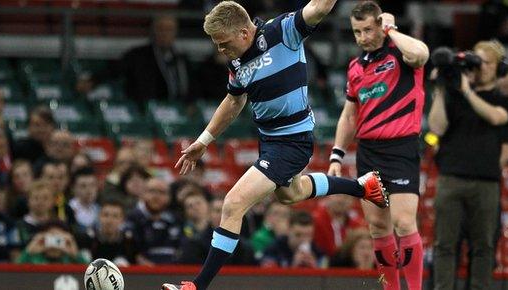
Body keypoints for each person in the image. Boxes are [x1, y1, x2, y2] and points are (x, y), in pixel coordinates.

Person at [162, 1, 388, 289]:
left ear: (244, 33)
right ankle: (363, 187)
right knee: (291, 194)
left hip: (293, 141)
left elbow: (318, 7)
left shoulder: (283, 31)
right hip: (269, 142)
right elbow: (234, 100)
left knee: (233, 204)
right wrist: (204, 141)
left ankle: (197, 286)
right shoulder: (237, 61)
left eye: (223, 43)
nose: (220, 50)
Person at [327, 2, 429, 289]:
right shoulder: (356, 68)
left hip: (400, 150)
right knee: (378, 227)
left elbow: (421, 54)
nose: (362, 37)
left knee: (405, 223)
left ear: (381, 25)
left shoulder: (401, 54)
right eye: (357, 31)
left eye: (368, 29)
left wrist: (391, 30)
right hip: (368, 154)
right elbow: (349, 115)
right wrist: (337, 154)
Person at [428, 40, 508, 290]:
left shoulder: (502, 99)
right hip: (451, 178)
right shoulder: (455, 94)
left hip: (486, 182)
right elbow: (436, 127)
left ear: (499, 68)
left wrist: (467, 92)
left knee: (484, 246)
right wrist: (442, 87)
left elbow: (498, 118)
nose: (480, 66)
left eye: (487, 62)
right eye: (477, 60)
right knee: (444, 244)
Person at [120, 15, 190, 104]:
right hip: (147, 109)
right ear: (153, 31)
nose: (165, 33)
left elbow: (190, 90)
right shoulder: (138, 56)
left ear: (175, 33)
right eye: (161, 29)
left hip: (177, 110)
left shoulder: (181, 60)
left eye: (169, 29)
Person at [260, 211, 326, 268]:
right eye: (298, 235)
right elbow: (268, 278)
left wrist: (316, 268)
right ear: (289, 230)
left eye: (308, 235)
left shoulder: (318, 252)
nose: (303, 239)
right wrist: (292, 266)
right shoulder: (274, 249)